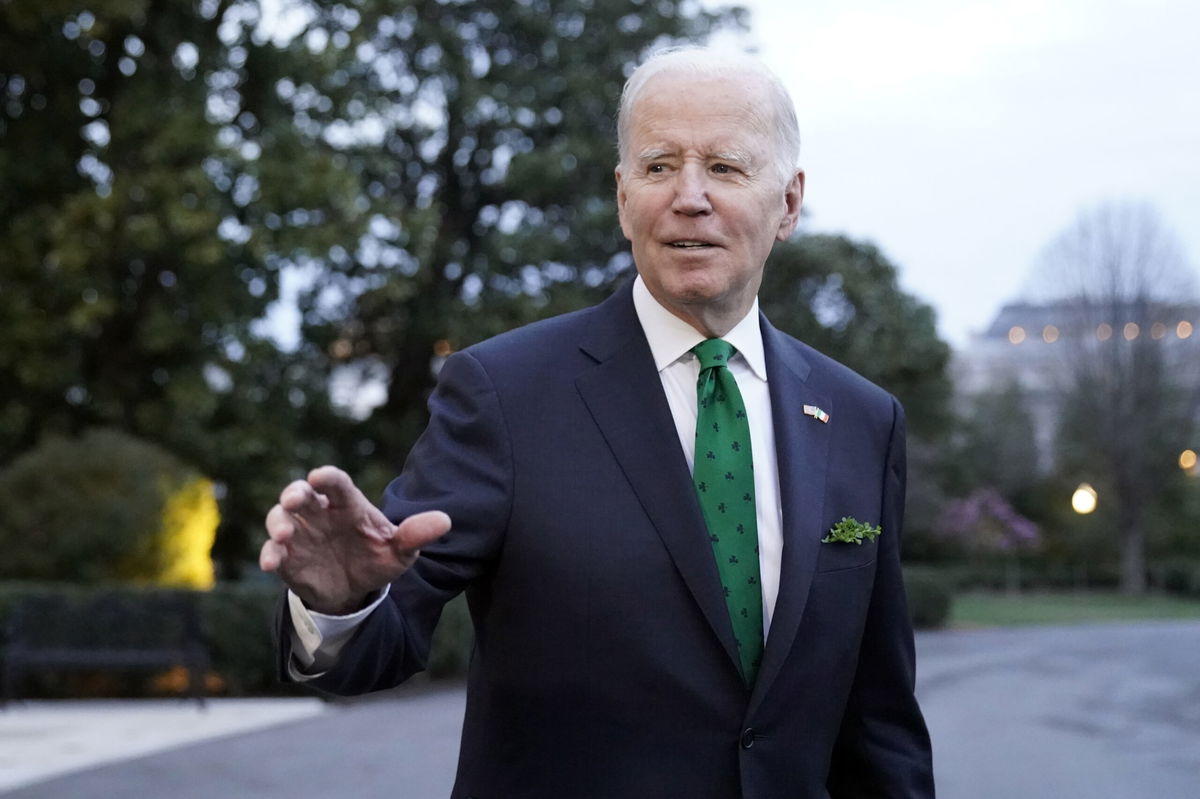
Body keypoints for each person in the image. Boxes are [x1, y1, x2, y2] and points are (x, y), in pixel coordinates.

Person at [261, 47, 935, 798]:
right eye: (657, 166)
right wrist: (341, 602)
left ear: (789, 202)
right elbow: (379, 644)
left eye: (724, 166)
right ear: (622, 199)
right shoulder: (504, 394)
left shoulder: (862, 419)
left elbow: (880, 726)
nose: (689, 196)